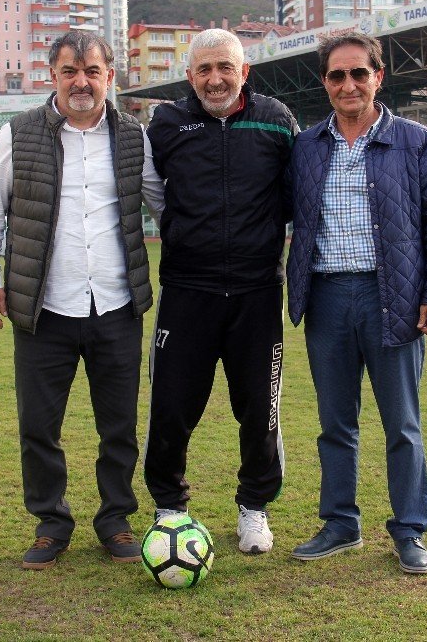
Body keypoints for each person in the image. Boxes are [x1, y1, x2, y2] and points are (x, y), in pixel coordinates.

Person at [0, 30, 165, 569]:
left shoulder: (133, 137)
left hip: (117, 307)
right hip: (43, 309)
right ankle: (51, 521)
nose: (81, 82)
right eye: (69, 72)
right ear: (51, 76)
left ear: (110, 78)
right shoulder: (19, 134)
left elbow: (165, 205)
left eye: (92, 72)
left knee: (119, 425)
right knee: (39, 426)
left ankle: (115, 518)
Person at [285, 33, 427, 573]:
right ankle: (341, 523)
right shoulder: (307, 146)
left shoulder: (415, 142)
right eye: (337, 76)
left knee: (401, 424)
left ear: (378, 77)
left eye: (359, 73)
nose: (348, 85)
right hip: (327, 298)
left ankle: (409, 529)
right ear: (325, 84)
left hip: (395, 297)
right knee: (335, 423)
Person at [143, 28, 299, 555]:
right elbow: (148, 188)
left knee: (260, 409)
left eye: (225, 68)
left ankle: (254, 507)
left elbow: (296, 195)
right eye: (204, 70)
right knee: (171, 406)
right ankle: (170, 507)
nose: (216, 79)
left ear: (243, 72)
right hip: (187, 290)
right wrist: (184, 233)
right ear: (190, 76)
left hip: (257, 292)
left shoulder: (276, 121)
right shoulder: (167, 123)